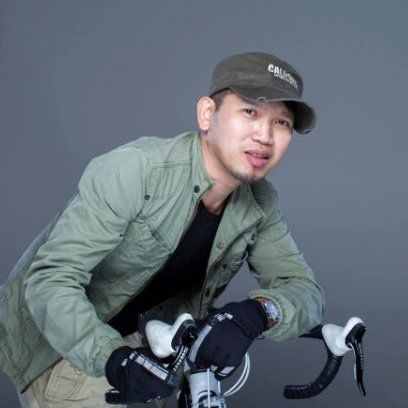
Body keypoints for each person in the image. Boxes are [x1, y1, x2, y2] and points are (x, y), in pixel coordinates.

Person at [0, 52, 324, 407]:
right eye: (250, 112)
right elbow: (50, 279)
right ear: (207, 114)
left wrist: (258, 313)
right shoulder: (137, 169)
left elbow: (304, 289)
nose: (265, 135)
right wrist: (114, 359)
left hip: (151, 351)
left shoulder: (260, 201)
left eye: (282, 122)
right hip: (69, 344)